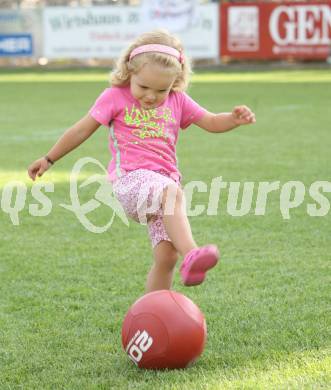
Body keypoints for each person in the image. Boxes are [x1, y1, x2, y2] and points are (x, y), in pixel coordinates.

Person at [28, 30, 256, 293]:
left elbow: (212, 121)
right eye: (144, 87)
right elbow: (81, 130)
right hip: (131, 182)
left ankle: (155, 309)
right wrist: (48, 159)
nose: (151, 96)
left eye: (161, 90)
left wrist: (233, 119)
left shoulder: (177, 100)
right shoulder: (114, 97)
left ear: (175, 81)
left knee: (166, 257)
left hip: (162, 187)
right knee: (172, 193)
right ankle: (192, 253)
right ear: (129, 72)